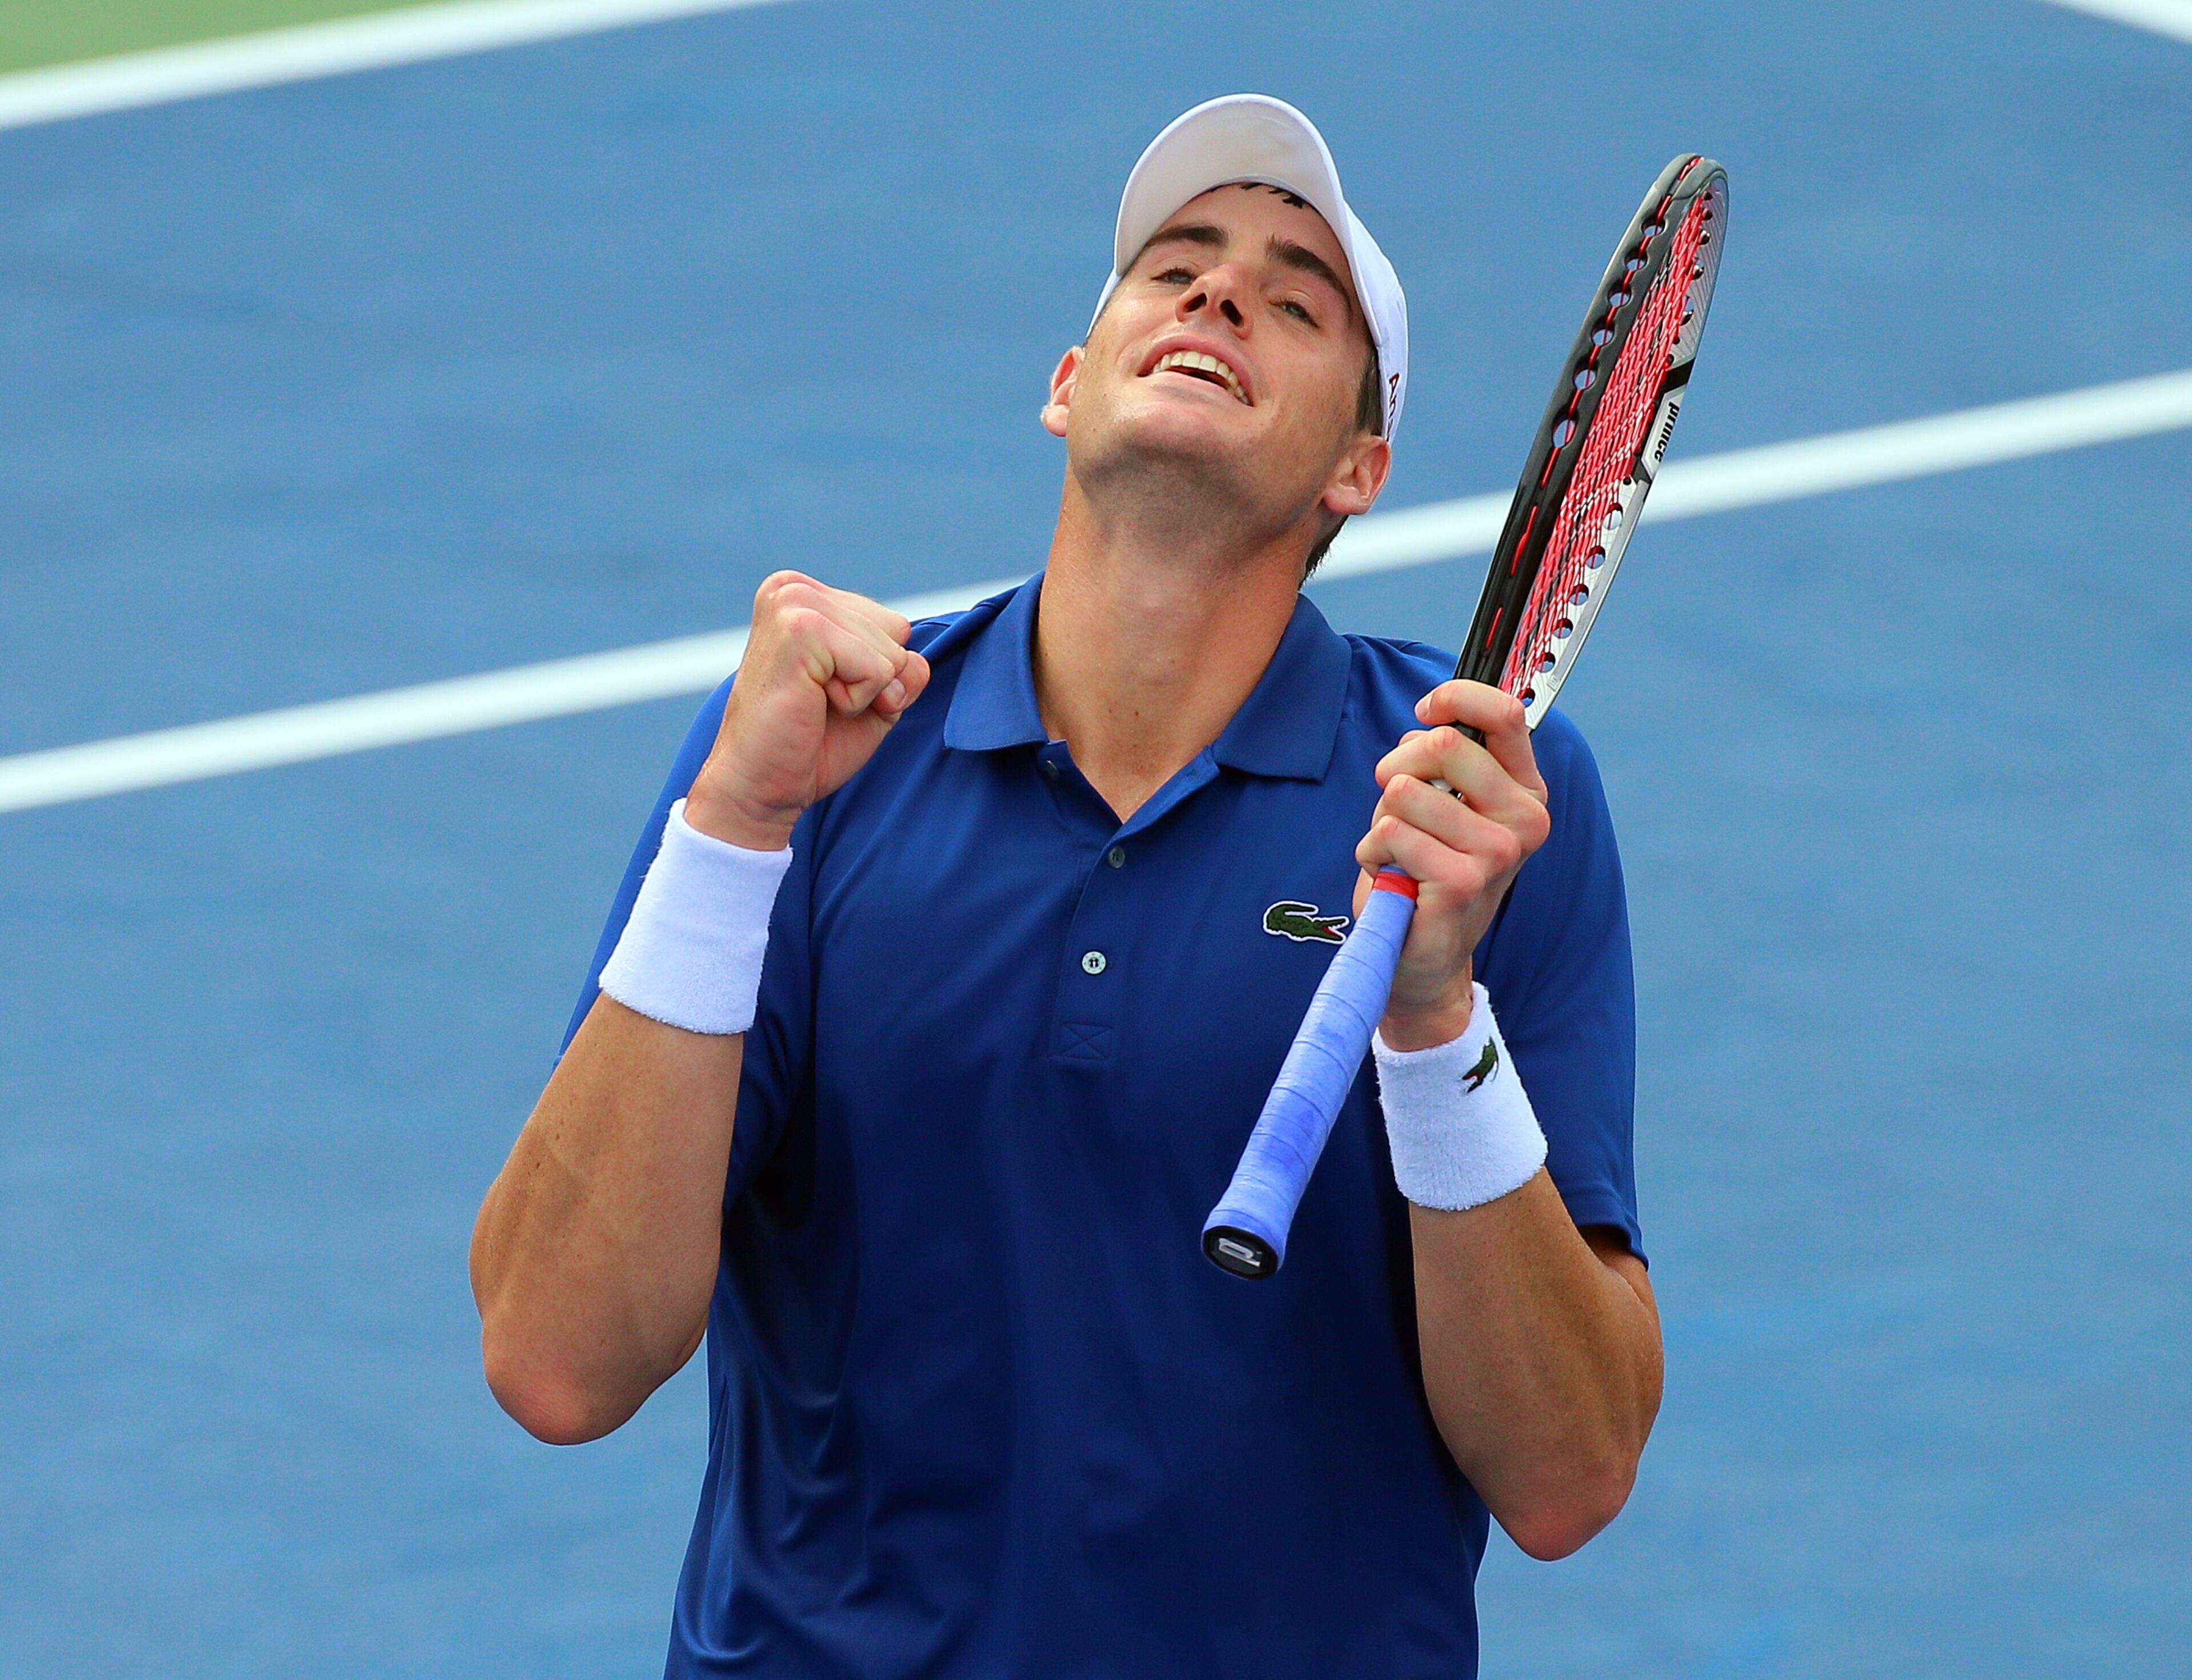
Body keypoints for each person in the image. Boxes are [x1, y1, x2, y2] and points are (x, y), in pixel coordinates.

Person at [470, 94, 1661, 1678]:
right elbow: (556, 1363)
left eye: (1297, 300)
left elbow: (1570, 1476)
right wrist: (733, 821)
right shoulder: (812, 758)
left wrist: (1436, 1019)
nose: (1221, 293)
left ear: (1357, 469)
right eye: (1177, 265)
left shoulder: (1487, 804)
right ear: (1066, 385)